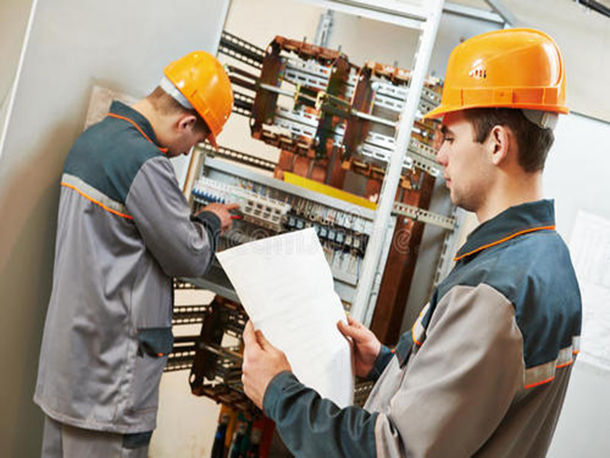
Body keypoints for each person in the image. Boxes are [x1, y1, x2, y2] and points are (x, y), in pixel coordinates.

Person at [241, 28, 582, 457]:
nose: (440, 154)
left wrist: (278, 391)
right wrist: (386, 364)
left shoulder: (493, 292)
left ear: (497, 143)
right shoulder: (549, 259)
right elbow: (476, 407)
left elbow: (393, 450)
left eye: (450, 137)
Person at [34, 51, 237, 457]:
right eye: (196, 142)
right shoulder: (144, 163)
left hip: (66, 372)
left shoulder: (93, 140)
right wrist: (211, 222)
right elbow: (189, 256)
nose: (186, 152)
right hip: (110, 384)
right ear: (185, 123)